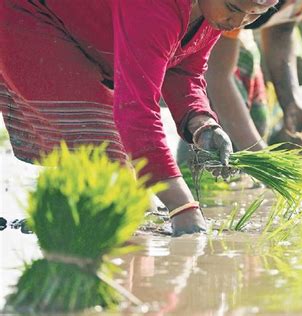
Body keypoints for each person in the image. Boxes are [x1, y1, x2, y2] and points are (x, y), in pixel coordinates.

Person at [0, 0, 278, 236]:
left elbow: (184, 72)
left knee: (139, 206)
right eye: (233, 7)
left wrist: (202, 124)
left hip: (81, 35)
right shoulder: (154, 6)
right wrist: (183, 207)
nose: (238, 21)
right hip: (32, 21)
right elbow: (137, 111)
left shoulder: (211, 15)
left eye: (255, 14)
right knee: (113, 179)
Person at [204, 0, 302, 152]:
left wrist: (291, 103)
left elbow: (281, 28)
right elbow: (218, 74)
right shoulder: (235, 10)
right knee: (238, 79)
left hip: (226, 35)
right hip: (198, 33)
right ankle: (197, 165)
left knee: (257, 118)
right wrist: (260, 156)